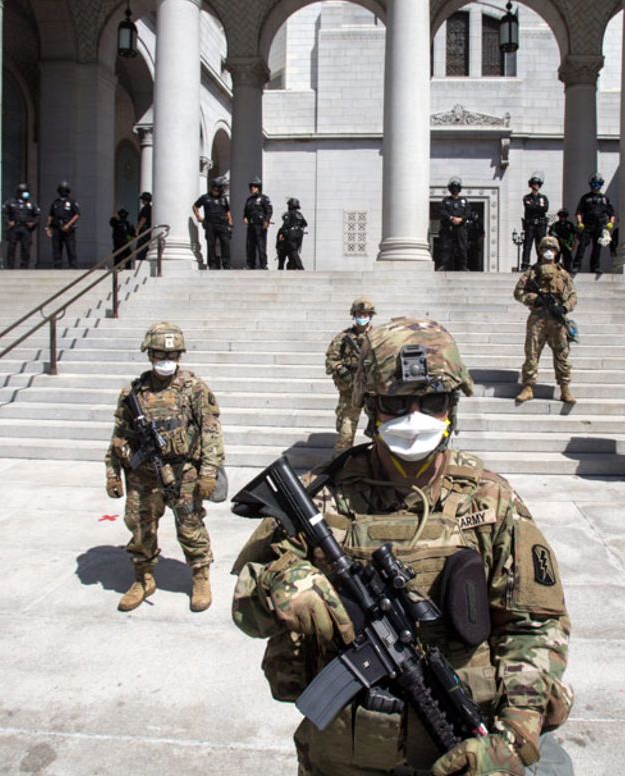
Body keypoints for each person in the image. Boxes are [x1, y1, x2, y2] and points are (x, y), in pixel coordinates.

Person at [231, 317, 574, 776]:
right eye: (395, 402)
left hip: (460, 746)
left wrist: (512, 738)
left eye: (432, 400)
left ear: (452, 406)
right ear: (371, 407)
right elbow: (247, 605)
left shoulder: (491, 500)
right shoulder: (321, 497)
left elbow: (536, 626)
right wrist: (282, 584)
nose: (414, 417)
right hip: (344, 750)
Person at [104, 322, 224, 613]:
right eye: (160, 354)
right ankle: (142, 578)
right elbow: (119, 435)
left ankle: (200, 576)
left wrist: (208, 473)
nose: (166, 360)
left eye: (172, 354)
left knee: (190, 525)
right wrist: (112, 473)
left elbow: (211, 432)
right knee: (140, 527)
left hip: (183, 474)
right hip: (142, 475)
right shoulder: (132, 394)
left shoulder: (194, 389)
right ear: (150, 355)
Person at [514, 236, 577, 405]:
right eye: (544, 248)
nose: (548, 252)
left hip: (557, 319)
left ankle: (565, 388)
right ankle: (528, 387)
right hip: (538, 317)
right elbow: (518, 292)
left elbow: (572, 296)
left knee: (562, 355)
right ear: (540, 251)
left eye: (552, 249)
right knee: (532, 353)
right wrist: (534, 299)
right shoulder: (532, 273)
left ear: (557, 252)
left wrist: (564, 308)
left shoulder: (563, 274)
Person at [324, 298, 375, 454]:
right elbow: (331, 359)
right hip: (350, 391)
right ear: (353, 315)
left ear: (371, 316)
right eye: (359, 313)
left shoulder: (378, 337)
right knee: (345, 432)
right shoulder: (343, 338)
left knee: (381, 429)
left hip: (372, 391)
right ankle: (341, 464)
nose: (362, 316)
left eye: (365, 314)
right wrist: (340, 369)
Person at [574, 173, 615, 275]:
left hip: (600, 226)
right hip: (587, 225)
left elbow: (611, 214)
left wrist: (611, 224)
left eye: (598, 183)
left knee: (597, 248)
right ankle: (576, 265)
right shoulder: (585, 198)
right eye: (594, 183)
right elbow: (579, 212)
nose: (596, 185)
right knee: (582, 245)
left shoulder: (605, 199)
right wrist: (579, 223)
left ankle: (595, 267)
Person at [193, 179, 233, 270]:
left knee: (225, 244)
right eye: (216, 189)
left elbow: (227, 210)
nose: (217, 192)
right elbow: (195, 206)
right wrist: (198, 216)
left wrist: (230, 222)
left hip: (223, 224)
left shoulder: (223, 198)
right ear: (212, 188)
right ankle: (212, 265)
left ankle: (226, 265)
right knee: (211, 245)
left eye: (219, 190)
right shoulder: (205, 197)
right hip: (210, 224)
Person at [2, 182, 40, 270]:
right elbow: (4, 213)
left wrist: (33, 223)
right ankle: (10, 267)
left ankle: (24, 267)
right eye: (24, 192)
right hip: (14, 228)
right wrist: (8, 222)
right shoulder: (10, 202)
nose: (26, 194)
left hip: (26, 229)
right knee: (11, 248)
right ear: (19, 192)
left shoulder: (31, 204)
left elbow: (38, 215)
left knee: (26, 248)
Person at [46, 180, 81, 269]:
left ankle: (73, 267)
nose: (63, 192)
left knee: (70, 248)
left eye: (65, 190)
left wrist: (68, 225)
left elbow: (77, 215)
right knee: (56, 249)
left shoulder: (72, 202)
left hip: (68, 229)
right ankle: (57, 267)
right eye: (61, 190)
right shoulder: (55, 203)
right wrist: (48, 228)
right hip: (57, 228)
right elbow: (50, 215)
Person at [439, 176, 472, 271]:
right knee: (446, 247)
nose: (455, 190)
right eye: (453, 188)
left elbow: (468, 212)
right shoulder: (446, 201)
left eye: (457, 188)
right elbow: (442, 212)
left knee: (462, 247)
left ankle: (463, 266)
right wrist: (451, 218)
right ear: (450, 189)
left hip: (461, 228)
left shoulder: (464, 201)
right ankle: (444, 265)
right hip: (448, 227)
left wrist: (461, 219)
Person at [243, 177, 274, 270]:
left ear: (259, 188)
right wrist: (244, 217)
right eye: (252, 187)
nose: (253, 188)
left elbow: (269, 211)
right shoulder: (249, 200)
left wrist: (267, 221)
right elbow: (246, 211)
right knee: (250, 246)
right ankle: (250, 264)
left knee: (261, 245)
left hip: (260, 225)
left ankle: (263, 265)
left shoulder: (264, 198)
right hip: (251, 225)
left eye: (255, 187)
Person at [521, 174, 550, 268]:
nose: (536, 185)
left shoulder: (543, 198)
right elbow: (529, 207)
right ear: (531, 185)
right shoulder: (527, 197)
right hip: (530, 224)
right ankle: (525, 264)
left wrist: (535, 207)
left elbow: (545, 208)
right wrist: (538, 207)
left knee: (540, 245)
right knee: (527, 245)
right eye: (534, 184)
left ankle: (541, 262)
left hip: (540, 225)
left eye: (537, 184)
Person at [277, 198, 308, 270]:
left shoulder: (289, 213)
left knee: (293, 251)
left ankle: (300, 267)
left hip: (292, 234)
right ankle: (292, 267)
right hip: (299, 234)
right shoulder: (299, 214)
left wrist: (283, 234)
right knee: (294, 250)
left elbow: (286, 225)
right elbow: (305, 224)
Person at [549, 208, 578, 272]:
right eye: (561, 216)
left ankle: (569, 269)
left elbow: (574, 235)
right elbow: (550, 234)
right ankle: (554, 270)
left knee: (568, 258)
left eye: (564, 216)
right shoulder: (554, 225)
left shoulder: (570, 225)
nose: (562, 218)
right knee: (556, 258)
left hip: (567, 245)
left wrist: (573, 244)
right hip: (557, 245)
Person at [135, 191, 153, 262]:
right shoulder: (151, 208)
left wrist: (138, 229)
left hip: (145, 231)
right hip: (148, 230)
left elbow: (143, 219)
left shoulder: (145, 208)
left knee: (141, 247)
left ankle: (140, 259)